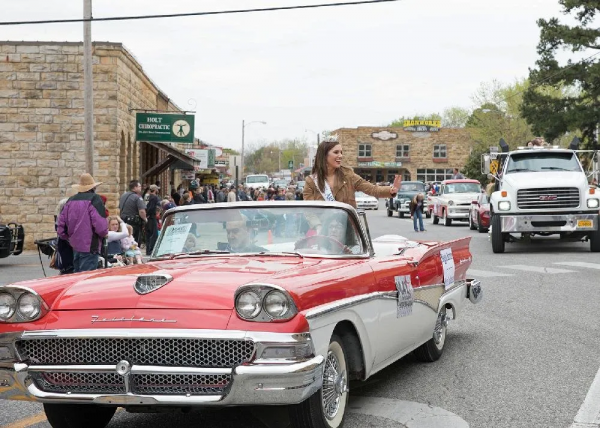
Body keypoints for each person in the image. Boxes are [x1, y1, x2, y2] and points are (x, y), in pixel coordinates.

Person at [303, 136, 397, 207]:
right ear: (324, 155)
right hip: (322, 230)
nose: (340, 156)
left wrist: (390, 190)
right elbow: (310, 210)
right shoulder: (311, 181)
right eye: (336, 152)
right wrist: (318, 226)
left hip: (347, 227)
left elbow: (371, 189)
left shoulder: (348, 175)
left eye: (341, 152)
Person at [57, 173, 108, 273]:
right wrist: (104, 233)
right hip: (90, 245)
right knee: (86, 279)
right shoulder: (94, 199)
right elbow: (100, 225)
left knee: (77, 275)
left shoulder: (70, 201)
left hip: (75, 244)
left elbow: (61, 225)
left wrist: (67, 237)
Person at [119, 180, 147, 244]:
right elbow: (142, 211)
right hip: (134, 223)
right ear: (134, 188)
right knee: (135, 242)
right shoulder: (137, 197)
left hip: (124, 221)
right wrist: (145, 219)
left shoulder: (123, 196)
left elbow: (120, 208)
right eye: (139, 186)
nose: (141, 188)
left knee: (125, 240)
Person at [145, 184, 160, 255]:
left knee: (148, 234)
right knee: (154, 234)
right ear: (155, 190)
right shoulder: (155, 197)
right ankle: (151, 250)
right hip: (151, 217)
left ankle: (148, 250)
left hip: (146, 217)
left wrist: (145, 215)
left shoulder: (146, 196)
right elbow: (152, 208)